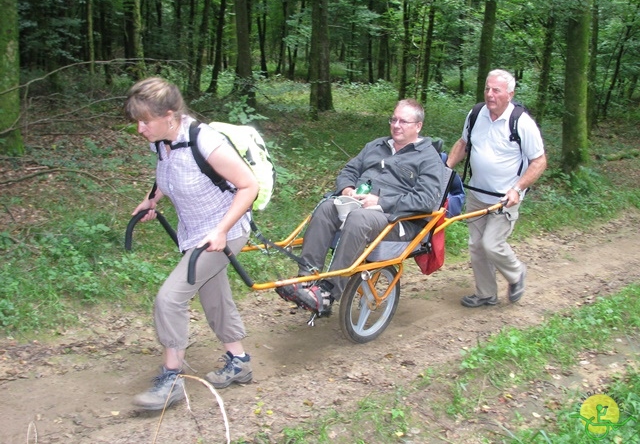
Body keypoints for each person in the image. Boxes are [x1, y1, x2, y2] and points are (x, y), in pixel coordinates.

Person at [124, 77, 259, 410]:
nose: (140, 129)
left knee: (169, 299)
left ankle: (171, 379)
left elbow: (248, 186)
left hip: (224, 233)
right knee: (214, 295)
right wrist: (151, 200)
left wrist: (221, 230)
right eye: (137, 121)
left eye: (145, 121)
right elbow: (166, 174)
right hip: (196, 234)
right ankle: (239, 360)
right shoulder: (163, 141)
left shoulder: (206, 141)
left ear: (169, 115)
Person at [276, 99, 448, 314]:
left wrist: (381, 202)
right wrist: (347, 189)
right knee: (327, 207)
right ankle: (306, 279)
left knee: (359, 219)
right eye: (393, 119)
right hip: (357, 206)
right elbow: (349, 170)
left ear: (418, 126)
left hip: (397, 220)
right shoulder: (376, 146)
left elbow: (425, 200)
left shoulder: (429, 158)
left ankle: (328, 293)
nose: (396, 125)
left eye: (403, 121)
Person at [446, 69, 547, 308]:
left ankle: (516, 273)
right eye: (487, 89)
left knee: (491, 243)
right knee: (476, 246)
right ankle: (486, 293)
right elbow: (463, 144)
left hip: (505, 198)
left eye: (496, 90)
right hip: (477, 194)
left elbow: (540, 161)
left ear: (510, 94)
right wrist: (445, 169)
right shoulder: (476, 114)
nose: (490, 94)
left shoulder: (521, 122)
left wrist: (517, 188)